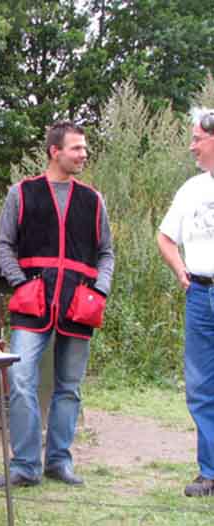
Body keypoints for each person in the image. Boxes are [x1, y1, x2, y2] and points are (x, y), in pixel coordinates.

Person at [0, 121, 115, 489]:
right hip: (32, 303)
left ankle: (59, 461)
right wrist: (21, 283)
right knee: (22, 378)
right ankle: (25, 465)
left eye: (84, 148)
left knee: (69, 386)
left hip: (79, 304)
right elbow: (3, 245)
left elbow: (106, 252)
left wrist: (100, 290)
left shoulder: (93, 199)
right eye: (76, 148)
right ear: (54, 151)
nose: (84, 154)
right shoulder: (22, 193)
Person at [157, 108, 214, 497]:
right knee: (200, 386)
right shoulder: (191, 189)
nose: (191, 145)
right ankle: (209, 472)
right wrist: (181, 270)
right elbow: (165, 237)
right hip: (199, 293)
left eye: (197, 138)